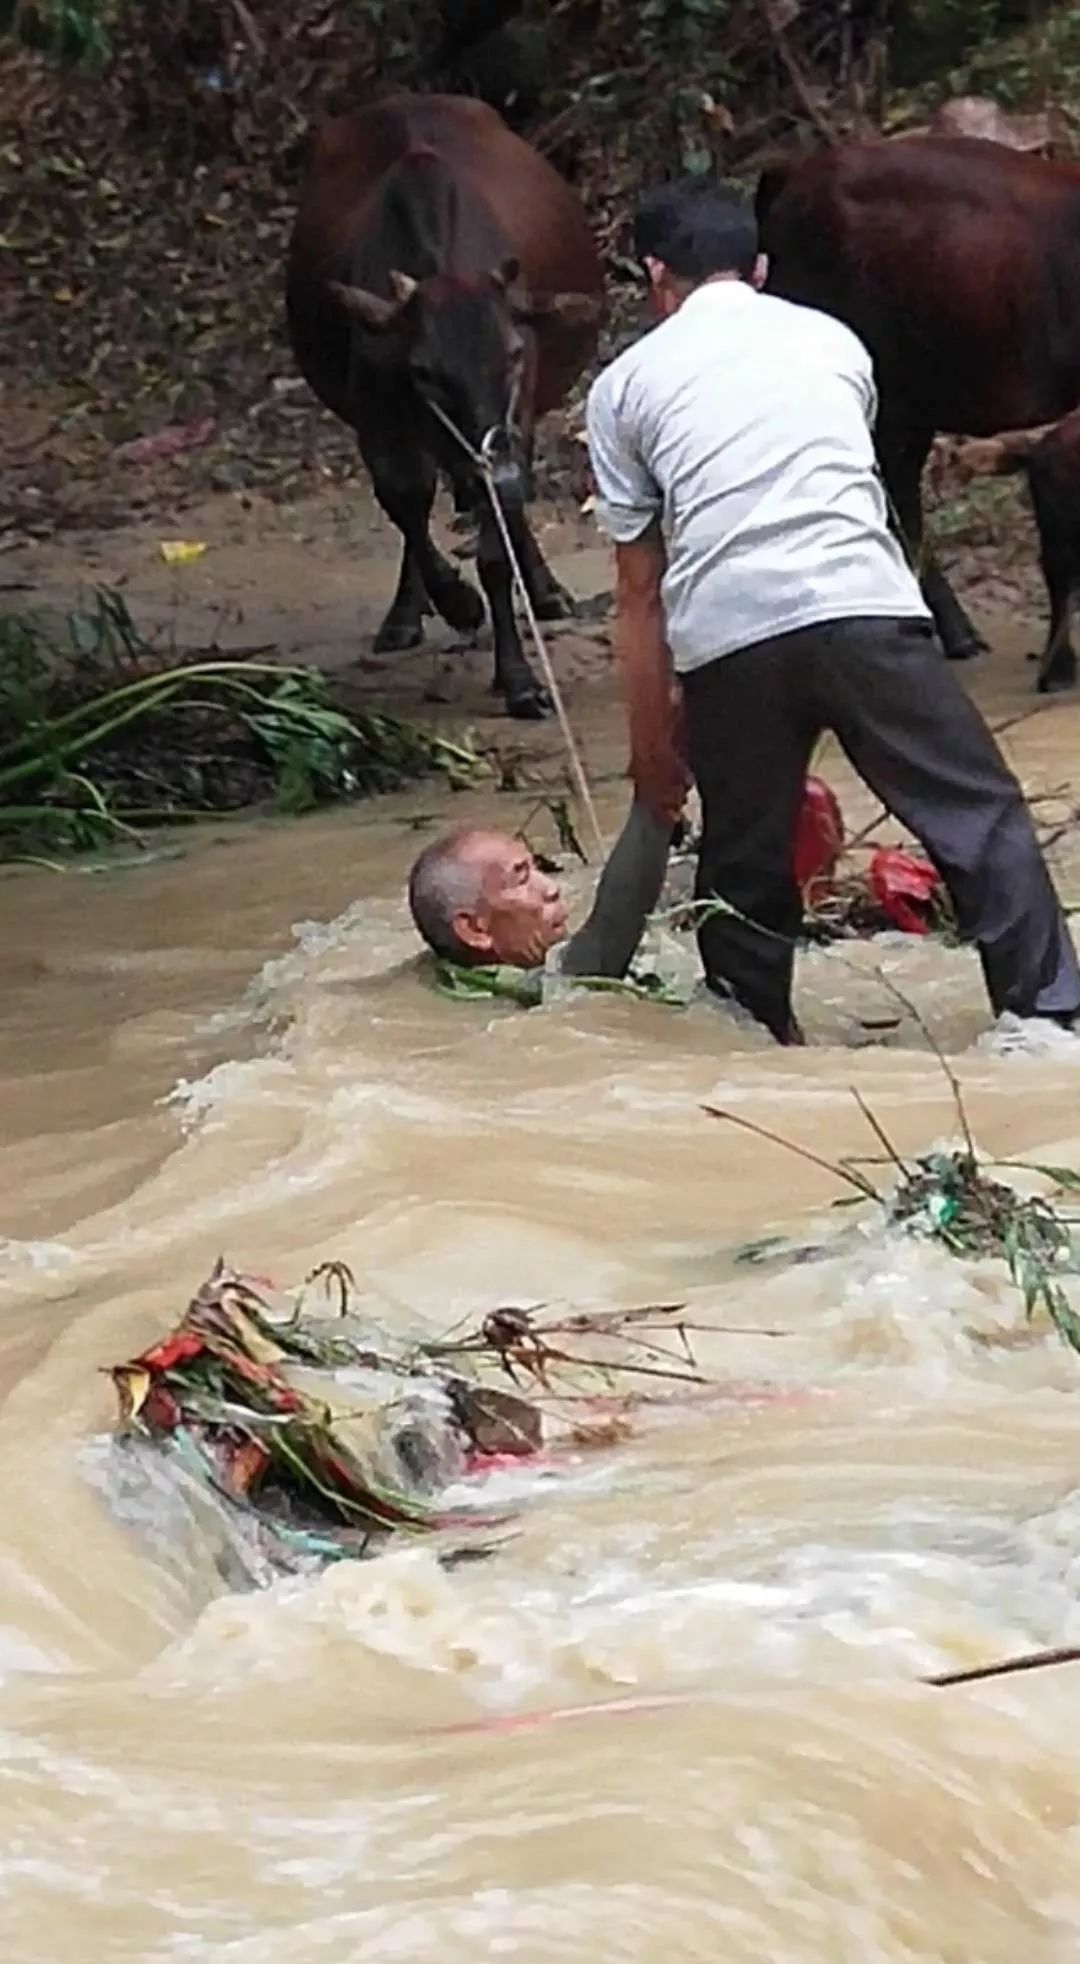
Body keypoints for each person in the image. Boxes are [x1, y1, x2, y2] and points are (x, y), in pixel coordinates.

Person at [584, 175, 1080, 1044]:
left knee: (742, 861)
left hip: (729, 637)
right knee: (979, 816)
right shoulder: (834, 344)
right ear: (762, 267)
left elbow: (637, 590)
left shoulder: (623, 387)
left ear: (655, 276)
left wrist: (651, 752)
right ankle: (1048, 1024)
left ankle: (749, 1036)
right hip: (865, 608)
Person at [407, 800, 674, 977]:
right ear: (475, 929)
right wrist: (656, 803)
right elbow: (606, 945)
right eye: (521, 880)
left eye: (537, 870)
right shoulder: (530, 992)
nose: (551, 888)